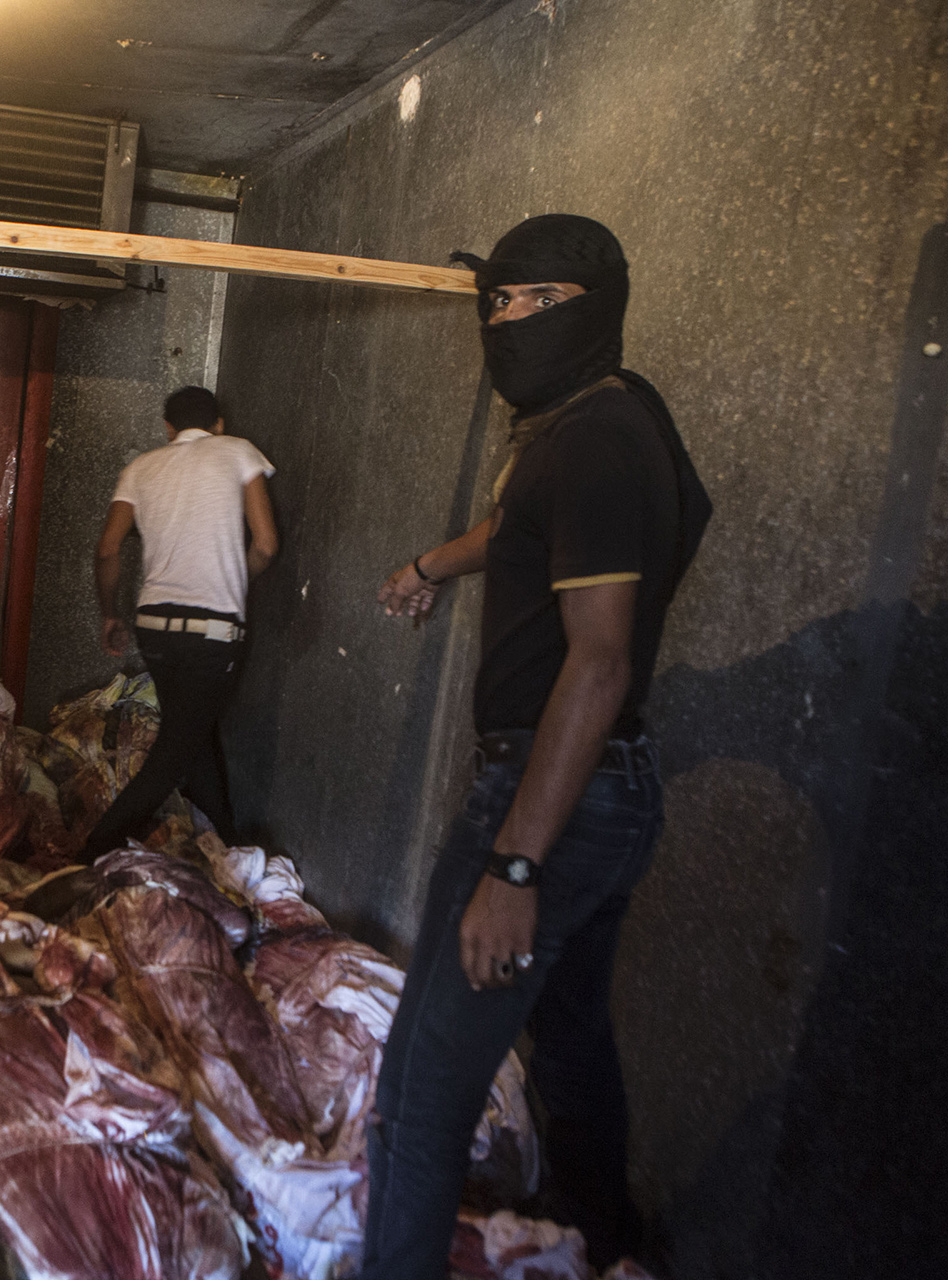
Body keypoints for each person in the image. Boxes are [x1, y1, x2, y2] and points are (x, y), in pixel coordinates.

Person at [364, 215, 713, 1277]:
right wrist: (432, 563)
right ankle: (611, 1241)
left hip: (549, 793)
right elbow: (522, 524)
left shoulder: (598, 439)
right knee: (569, 1043)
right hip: (603, 797)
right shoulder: (602, 418)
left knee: (422, 1099)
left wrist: (516, 863)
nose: (507, 323)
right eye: (497, 304)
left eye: (534, 301)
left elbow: (597, 663)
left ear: (594, 307)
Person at [83, 385, 279, 856]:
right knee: (174, 752)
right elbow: (267, 544)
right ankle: (92, 852)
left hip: (154, 626)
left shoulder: (140, 467)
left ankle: (229, 841)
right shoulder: (238, 451)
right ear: (219, 424)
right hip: (212, 630)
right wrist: (234, 579)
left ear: (168, 429)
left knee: (192, 732)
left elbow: (108, 549)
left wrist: (111, 613)